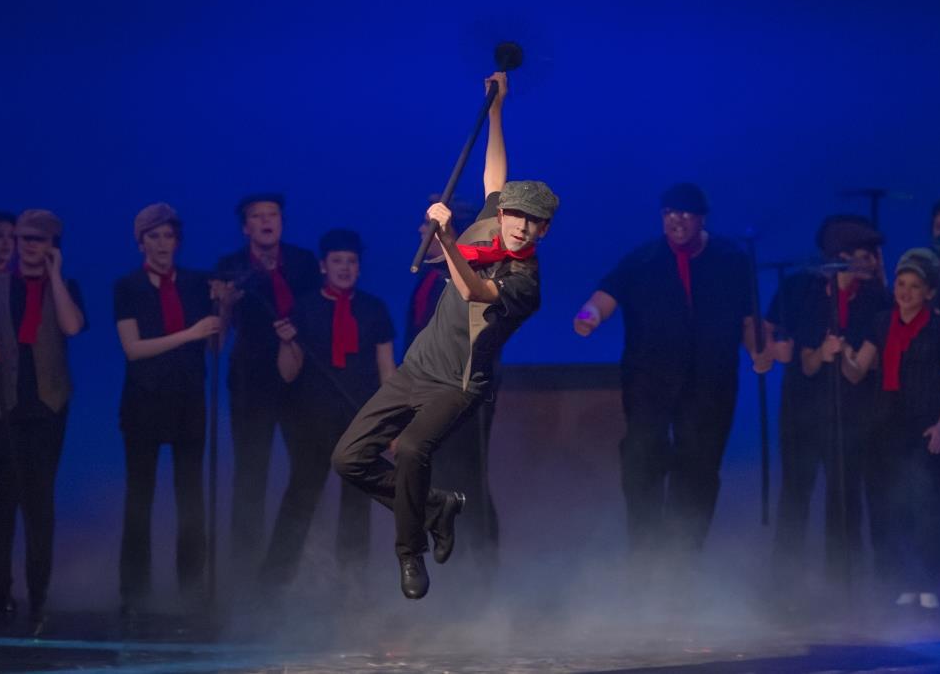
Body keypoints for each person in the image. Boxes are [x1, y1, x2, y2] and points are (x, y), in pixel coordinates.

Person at [333, 179, 559, 600]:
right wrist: (494, 113)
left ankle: (410, 550)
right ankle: (435, 505)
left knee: (412, 450)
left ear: (543, 230)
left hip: (459, 382)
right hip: (416, 369)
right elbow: (496, 172)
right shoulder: (487, 228)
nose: (523, 227)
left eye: (535, 223)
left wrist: (449, 240)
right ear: (502, 213)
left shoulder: (525, 281)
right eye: (518, 216)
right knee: (348, 459)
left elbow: (475, 291)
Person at [573, 182, 769, 560]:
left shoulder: (731, 260)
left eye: (684, 214)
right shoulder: (643, 260)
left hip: (709, 382)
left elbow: (749, 318)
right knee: (643, 459)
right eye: (668, 215)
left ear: (701, 218)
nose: (676, 222)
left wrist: (758, 349)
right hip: (651, 381)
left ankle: (683, 556)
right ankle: (645, 555)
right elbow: (606, 295)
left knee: (697, 466)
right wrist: (589, 315)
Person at [406, 73, 510, 580]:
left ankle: (482, 567)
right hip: (431, 386)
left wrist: (494, 112)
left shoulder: (476, 269)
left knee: (470, 472)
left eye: (438, 229)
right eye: (427, 227)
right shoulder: (422, 285)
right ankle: (453, 561)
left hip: (467, 385)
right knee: (435, 470)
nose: (428, 235)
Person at [263, 228, 395, 590]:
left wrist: (395, 422)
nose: (344, 268)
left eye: (351, 262)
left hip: (359, 419)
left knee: (356, 503)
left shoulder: (373, 309)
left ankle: (352, 586)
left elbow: (388, 371)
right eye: (337, 261)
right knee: (302, 496)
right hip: (310, 420)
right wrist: (286, 342)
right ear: (323, 266)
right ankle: (274, 583)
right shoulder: (303, 308)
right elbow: (287, 373)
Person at [113, 203, 219, 618]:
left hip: (189, 399)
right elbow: (133, 349)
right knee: (140, 498)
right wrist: (190, 333)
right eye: (153, 236)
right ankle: (133, 593)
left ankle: (191, 590)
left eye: (168, 236)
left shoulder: (196, 284)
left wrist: (220, 313)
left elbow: (213, 343)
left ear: (177, 240)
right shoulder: (128, 286)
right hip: (143, 401)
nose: (162, 244)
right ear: (141, 242)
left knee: (190, 499)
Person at [774, 215, 887, 594]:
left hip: (850, 414)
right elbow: (795, 355)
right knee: (795, 494)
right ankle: (784, 585)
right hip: (802, 413)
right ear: (841, 257)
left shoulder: (874, 300)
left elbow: (860, 367)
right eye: (864, 254)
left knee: (845, 497)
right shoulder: (801, 291)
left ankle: (843, 585)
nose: (872, 262)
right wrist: (816, 353)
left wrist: (841, 358)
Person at [840, 248, 940, 610]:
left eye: (914, 286)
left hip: (922, 425)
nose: (905, 292)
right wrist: (842, 350)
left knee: (925, 504)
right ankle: (900, 580)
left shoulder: (939, 329)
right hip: (885, 425)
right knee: (890, 508)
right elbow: (858, 371)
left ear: (928, 292)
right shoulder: (881, 323)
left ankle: (928, 580)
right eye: (901, 284)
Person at [212, 194, 319, 581]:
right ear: (246, 227)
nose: (266, 222)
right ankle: (243, 569)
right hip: (251, 379)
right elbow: (218, 332)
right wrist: (225, 305)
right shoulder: (231, 267)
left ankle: (281, 568)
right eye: (257, 217)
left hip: (302, 380)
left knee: (308, 471)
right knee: (250, 476)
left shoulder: (305, 262)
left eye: (272, 215)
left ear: (282, 221)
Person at [0, 209, 85, 633]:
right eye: (25, 239)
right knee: (1, 502)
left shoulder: (64, 288)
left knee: (40, 503)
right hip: (3, 406)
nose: (30, 246)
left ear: (52, 246)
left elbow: (71, 326)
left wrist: (56, 276)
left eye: (40, 240)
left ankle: (38, 596)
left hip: (48, 407)